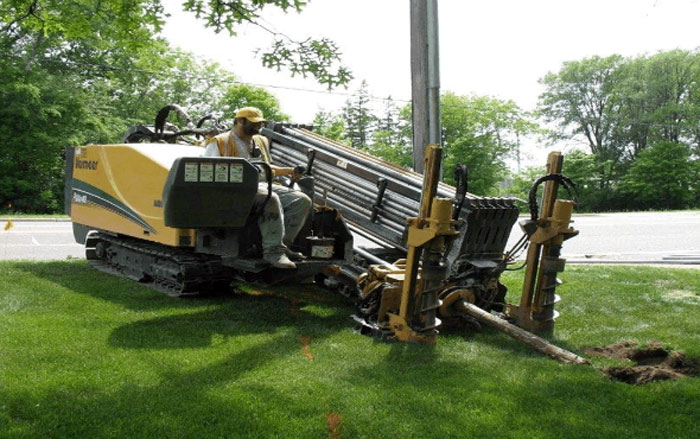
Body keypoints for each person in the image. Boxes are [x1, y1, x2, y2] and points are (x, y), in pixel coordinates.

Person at [202, 107, 311, 269]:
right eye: (254, 123)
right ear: (240, 121)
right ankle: (272, 252)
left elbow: (266, 167)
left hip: (259, 185)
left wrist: (290, 170)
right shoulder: (220, 142)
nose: (258, 126)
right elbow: (208, 171)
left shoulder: (260, 141)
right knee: (269, 197)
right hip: (231, 190)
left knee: (301, 200)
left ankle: (282, 246)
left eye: (260, 123)